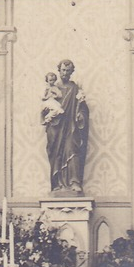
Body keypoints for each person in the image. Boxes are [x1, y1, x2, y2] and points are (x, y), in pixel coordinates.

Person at [44, 59, 89, 194]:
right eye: (63, 70)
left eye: (68, 71)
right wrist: (49, 112)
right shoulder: (53, 88)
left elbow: (83, 108)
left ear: (71, 72)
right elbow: (45, 106)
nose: (65, 73)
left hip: (71, 127)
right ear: (59, 70)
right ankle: (57, 184)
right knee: (57, 153)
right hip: (56, 128)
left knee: (72, 150)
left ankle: (74, 182)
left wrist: (81, 114)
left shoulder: (75, 88)